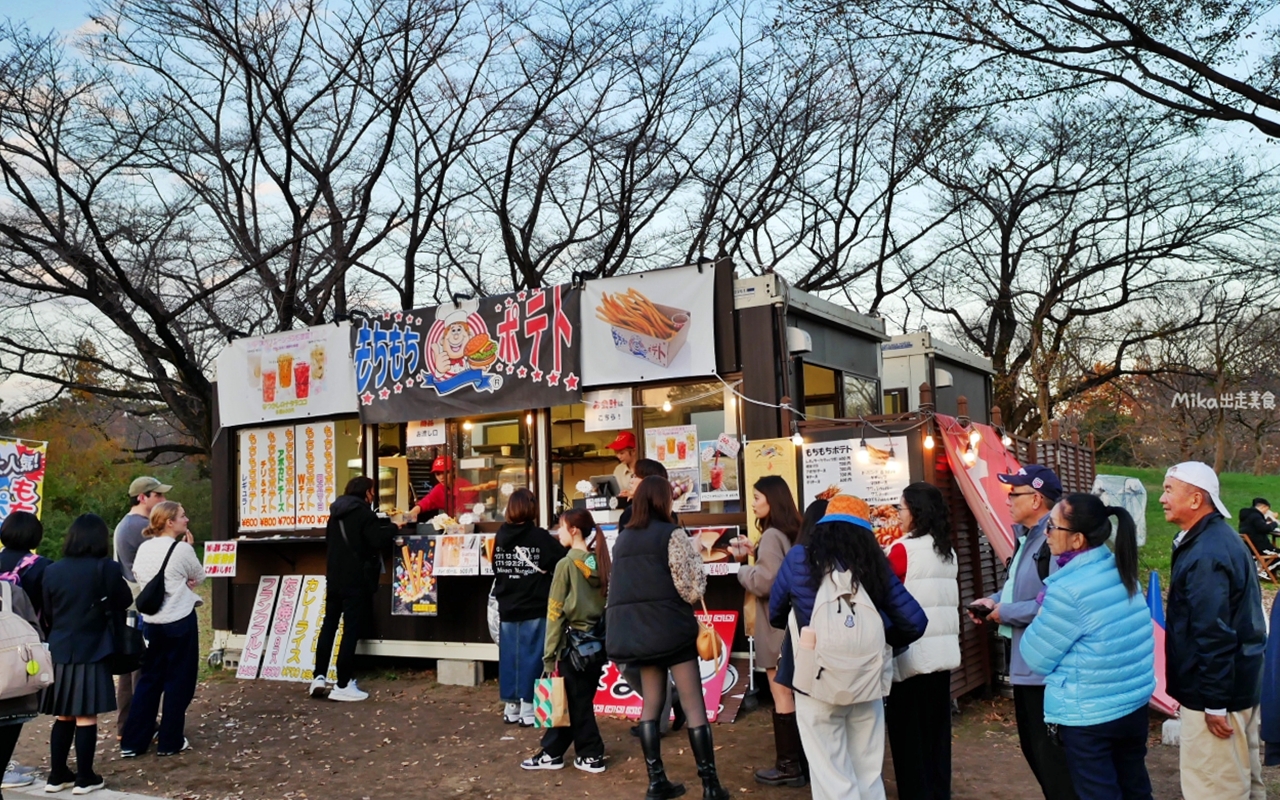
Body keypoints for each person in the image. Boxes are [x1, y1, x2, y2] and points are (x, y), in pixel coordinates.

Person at [769, 494, 927, 800]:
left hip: (814, 682)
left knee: (830, 774)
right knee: (868, 773)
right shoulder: (874, 564)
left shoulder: (799, 559)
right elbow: (914, 621)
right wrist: (877, 644)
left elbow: (775, 613)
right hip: (866, 684)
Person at [1019, 493, 1155, 800]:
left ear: (1078, 539)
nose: (1046, 533)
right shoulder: (1119, 567)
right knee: (1135, 789)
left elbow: (1034, 658)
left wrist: (1042, 609)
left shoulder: (1067, 591)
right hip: (1131, 705)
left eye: (1053, 527)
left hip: (1091, 717)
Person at [606, 475, 730, 800]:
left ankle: (656, 781)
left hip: (638, 636)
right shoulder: (671, 534)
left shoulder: (622, 540)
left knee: (650, 705)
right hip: (672, 632)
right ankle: (710, 785)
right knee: (693, 706)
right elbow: (691, 587)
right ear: (664, 501)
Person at [968, 464, 1076, 800]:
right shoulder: (1028, 537)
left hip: (1046, 672)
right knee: (1036, 754)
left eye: (1015, 494)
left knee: (1053, 761)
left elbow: (1057, 603)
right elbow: (1020, 589)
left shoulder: (1055, 542)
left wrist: (1005, 612)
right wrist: (994, 600)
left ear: (1037, 499)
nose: (1008, 500)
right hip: (1026, 667)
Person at [1160, 461, 1266, 800]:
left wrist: (1214, 702)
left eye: (1168, 490)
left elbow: (1213, 632)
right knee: (1243, 778)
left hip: (1217, 695)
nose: (1162, 498)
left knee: (1215, 787)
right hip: (1237, 685)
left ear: (1195, 500)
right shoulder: (1216, 539)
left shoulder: (1207, 551)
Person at [41, 514, 133, 795]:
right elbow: (124, 600)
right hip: (93, 647)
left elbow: (47, 610)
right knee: (85, 717)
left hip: (59, 648)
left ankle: (56, 776)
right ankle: (85, 777)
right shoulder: (107, 568)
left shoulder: (52, 570)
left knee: (63, 716)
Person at [884, 482, 961, 800]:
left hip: (911, 655)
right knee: (937, 737)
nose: (898, 515)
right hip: (942, 655)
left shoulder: (902, 551)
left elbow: (885, 596)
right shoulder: (947, 550)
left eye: (900, 508)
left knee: (908, 742)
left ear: (914, 511)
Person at [520, 508, 611, 774]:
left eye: (560, 526)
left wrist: (549, 655)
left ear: (574, 530)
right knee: (577, 699)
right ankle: (553, 752)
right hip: (597, 643)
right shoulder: (596, 562)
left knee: (576, 702)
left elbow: (554, 612)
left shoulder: (565, 565)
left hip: (572, 647)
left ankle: (591, 754)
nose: (557, 532)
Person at [734, 475, 806, 788]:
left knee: (781, 693)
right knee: (795, 692)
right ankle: (800, 762)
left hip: (775, 626)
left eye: (757, 498)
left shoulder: (773, 535)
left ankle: (789, 766)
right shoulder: (793, 531)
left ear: (771, 501)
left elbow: (766, 581)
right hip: (794, 625)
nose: (753, 504)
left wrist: (742, 567)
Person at [120, 502, 205, 758]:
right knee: (179, 680)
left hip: (152, 622)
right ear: (169, 522)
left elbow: (138, 574)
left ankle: (133, 741)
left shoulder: (145, 548)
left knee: (149, 680)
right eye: (182, 516)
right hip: (180, 619)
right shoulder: (181, 549)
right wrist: (186, 563)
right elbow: (199, 576)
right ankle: (170, 739)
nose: (186, 520)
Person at [310, 476, 398, 702]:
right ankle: (343, 683)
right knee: (350, 630)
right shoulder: (364, 514)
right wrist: (394, 527)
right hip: (356, 580)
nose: (373, 495)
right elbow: (376, 540)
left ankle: (318, 677)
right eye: (372, 491)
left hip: (335, 579)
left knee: (329, 625)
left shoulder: (335, 513)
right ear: (367, 492)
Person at [617, 458, 684, 738]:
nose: (630, 482)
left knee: (649, 662)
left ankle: (656, 721)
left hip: (650, 603)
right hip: (640, 601)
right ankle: (672, 698)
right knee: (630, 662)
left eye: (635, 477)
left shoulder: (668, 523)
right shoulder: (630, 516)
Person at [493, 488, 566, 726]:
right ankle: (528, 705)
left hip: (507, 605)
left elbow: (496, 568)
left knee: (509, 655)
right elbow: (561, 559)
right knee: (532, 655)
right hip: (535, 604)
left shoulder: (500, 536)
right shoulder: (539, 537)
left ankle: (510, 705)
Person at [112, 476, 170, 742]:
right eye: (157, 495)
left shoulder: (125, 524)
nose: (163, 499)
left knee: (129, 667)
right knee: (141, 668)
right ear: (142, 497)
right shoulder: (140, 527)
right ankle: (141, 724)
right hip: (142, 603)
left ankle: (127, 725)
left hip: (130, 605)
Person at [0, 512, 52, 792]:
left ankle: (7, 765)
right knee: (12, 709)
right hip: (21, 650)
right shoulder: (42, 567)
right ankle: (6, 764)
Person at [406, 457, 476, 519]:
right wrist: (407, 517)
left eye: (445, 472)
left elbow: (469, 511)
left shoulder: (466, 487)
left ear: (454, 471)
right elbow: (424, 503)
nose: (441, 477)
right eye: (438, 474)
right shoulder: (439, 489)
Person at [605, 431, 638, 499]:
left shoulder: (646, 468)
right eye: (616, 453)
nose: (618, 456)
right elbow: (614, 492)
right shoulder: (618, 469)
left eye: (622, 453)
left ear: (633, 451)